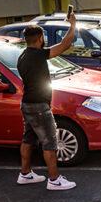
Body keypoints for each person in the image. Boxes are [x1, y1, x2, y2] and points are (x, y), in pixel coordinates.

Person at [16, 18, 77, 190]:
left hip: (27, 103)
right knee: (50, 142)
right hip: (39, 107)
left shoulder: (23, 56)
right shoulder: (37, 55)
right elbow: (64, 45)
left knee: (28, 139)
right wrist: (72, 25)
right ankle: (54, 179)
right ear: (41, 38)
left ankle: (25, 174)